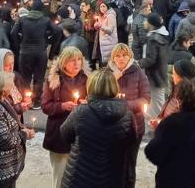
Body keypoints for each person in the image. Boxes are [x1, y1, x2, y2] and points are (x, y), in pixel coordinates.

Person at [59, 68, 138, 188]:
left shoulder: (81, 111)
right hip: (112, 178)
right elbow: (131, 142)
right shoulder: (127, 114)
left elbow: (65, 134)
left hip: (80, 177)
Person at [42, 47, 89, 188]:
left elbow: (95, 101)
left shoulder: (87, 79)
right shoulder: (53, 80)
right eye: (72, 60)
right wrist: (62, 106)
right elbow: (45, 106)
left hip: (81, 134)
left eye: (79, 59)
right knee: (61, 177)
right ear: (63, 63)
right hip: (59, 134)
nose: (77, 63)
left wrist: (88, 103)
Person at [0, 72, 35, 188]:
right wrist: (23, 134)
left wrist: (23, 129)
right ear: (3, 91)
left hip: (5, 169)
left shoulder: (1, 101)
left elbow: (10, 123)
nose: (13, 87)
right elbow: (4, 141)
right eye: (11, 86)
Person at [108, 43, 150, 188]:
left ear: (130, 56)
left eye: (124, 55)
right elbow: (98, 94)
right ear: (113, 57)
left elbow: (145, 98)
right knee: (113, 163)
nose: (121, 58)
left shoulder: (138, 73)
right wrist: (113, 78)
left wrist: (125, 105)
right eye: (118, 55)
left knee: (129, 164)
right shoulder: (107, 73)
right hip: (112, 126)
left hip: (134, 126)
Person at [11, 0, 59, 109]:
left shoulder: (23, 20)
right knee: (39, 77)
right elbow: (57, 31)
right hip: (40, 52)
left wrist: (20, 44)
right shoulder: (45, 20)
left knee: (25, 78)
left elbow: (13, 33)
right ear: (41, 9)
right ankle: (37, 101)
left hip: (25, 51)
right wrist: (47, 39)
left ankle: (26, 99)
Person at [137, 12, 170, 119]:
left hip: (155, 77)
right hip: (160, 75)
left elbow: (150, 59)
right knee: (157, 104)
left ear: (151, 24)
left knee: (156, 105)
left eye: (146, 20)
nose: (144, 22)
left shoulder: (153, 39)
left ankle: (155, 129)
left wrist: (137, 63)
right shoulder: (161, 36)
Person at [93, 0, 118, 66]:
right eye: (101, 6)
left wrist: (100, 26)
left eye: (104, 6)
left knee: (109, 64)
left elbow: (110, 30)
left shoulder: (110, 16)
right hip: (104, 44)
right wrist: (97, 27)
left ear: (107, 7)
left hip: (109, 43)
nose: (102, 8)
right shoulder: (103, 16)